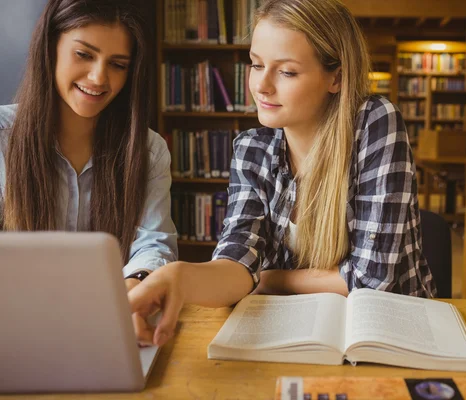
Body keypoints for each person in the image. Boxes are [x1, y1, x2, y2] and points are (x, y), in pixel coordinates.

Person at [129, 0, 436, 348]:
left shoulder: (375, 122)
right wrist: (179, 276)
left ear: (336, 77)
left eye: (286, 72)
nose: (262, 86)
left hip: (389, 334)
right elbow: (235, 261)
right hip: (301, 332)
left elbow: (372, 278)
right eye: (256, 65)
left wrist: (268, 279)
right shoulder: (251, 149)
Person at [0, 0, 178, 324]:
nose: (98, 77)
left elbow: (154, 242)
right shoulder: (2, 139)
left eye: (118, 64)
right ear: (49, 47)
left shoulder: (148, 150)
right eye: (84, 55)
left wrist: (134, 289)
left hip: (108, 319)